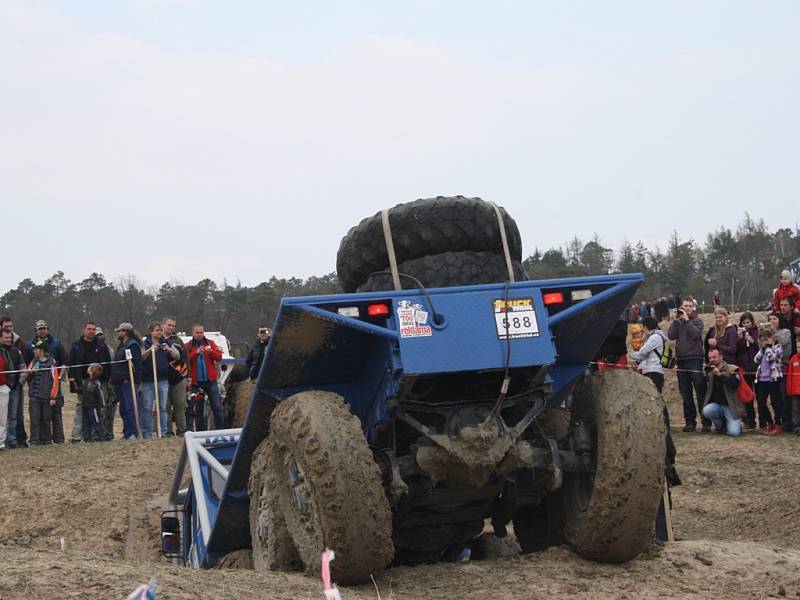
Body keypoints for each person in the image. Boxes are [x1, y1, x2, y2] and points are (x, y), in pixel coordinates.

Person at [668, 296, 710, 432]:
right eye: (685, 306)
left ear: (693, 308)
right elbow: (671, 336)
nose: (687, 308)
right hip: (681, 361)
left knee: (700, 392)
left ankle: (706, 422)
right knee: (685, 393)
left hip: (695, 359)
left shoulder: (697, 321)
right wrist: (675, 321)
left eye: (689, 306)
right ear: (681, 307)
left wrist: (686, 320)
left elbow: (696, 335)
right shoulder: (677, 323)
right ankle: (690, 422)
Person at [67, 321, 112, 442]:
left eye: (93, 329)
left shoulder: (102, 345)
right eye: (89, 329)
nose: (91, 331)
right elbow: (71, 365)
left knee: (100, 408)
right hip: (82, 381)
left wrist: (106, 379)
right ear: (84, 330)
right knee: (81, 408)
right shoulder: (76, 345)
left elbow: (108, 363)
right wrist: (73, 382)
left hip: (99, 382)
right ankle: (77, 436)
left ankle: (95, 434)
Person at [141, 323, 179, 438]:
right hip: (148, 380)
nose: (159, 332)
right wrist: (150, 350)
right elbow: (141, 357)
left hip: (162, 380)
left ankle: (163, 432)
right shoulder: (145, 343)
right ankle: (147, 433)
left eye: (161, 330)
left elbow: (176, 356)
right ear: (151, 331)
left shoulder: (166, 342)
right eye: (157, 330)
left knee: (163, 407)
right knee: (147, 407)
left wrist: (169, 350)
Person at [32, 320, 67, 443]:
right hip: (38, 385)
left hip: (54, 382)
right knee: (41, 414)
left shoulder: (56, 343)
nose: (42, 330)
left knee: (56, 411)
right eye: (40, 328)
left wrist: (58, 378)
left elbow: (64, 363)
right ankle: (43, 439)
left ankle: (59, 438)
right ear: (36, 330)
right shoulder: (31, 344)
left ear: (48, 329)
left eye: (44, 328)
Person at [186, 324, 224, 431]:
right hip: (196, 383)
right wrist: (196, 353)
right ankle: (200, 432)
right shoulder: (188, 346)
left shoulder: (210, 343)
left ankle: (221, 430)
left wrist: (211, 351)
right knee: (198, 409)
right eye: (197, 333)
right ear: (192, 333)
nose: (199, 335)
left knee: (217, 407)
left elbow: (219, 357)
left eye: (201, 332)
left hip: (210, 381)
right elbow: (186, 360)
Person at [1, 317, 32, 448]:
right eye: (6, 338)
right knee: (2, 416)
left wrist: (19, 383)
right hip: (3, 386)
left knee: (13, 416)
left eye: (10, 338)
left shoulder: (15, 351)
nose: (9, 340)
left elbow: (23, 368)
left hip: (15, 388)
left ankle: (11, 440)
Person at [27, 340, 63, 445]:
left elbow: (55, 381)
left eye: (36, 349)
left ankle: (46, 440)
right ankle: (34, 440)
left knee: (46, 419)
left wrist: (53, 397)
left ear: (41, 351)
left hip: (47, 397)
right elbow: (27, 373)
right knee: (34, 419)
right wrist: (31, 372)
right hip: (34, 396)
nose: (34, 351)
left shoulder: (52, 363)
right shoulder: (34, 361)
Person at [110, 323, 142, 440]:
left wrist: (129, 378)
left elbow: (135, 365)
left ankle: (133, 432)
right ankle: (127, 431)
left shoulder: (132, 346)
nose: (117, 333)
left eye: (119, 331)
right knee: (123, 409)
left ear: (125, 332)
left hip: (128, 382)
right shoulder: (121, 345)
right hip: (120, 382)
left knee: (130, 408)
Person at [701, 348, 743, 437]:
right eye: (710, 357)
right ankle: (720, 427)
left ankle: (737, 424)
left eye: (714, 357)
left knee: (734, 433)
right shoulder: (709, 370)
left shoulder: (732, 368)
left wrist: (720, 375)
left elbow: (734, 385)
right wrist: (704, 374)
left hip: (731, 407)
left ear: (721, 357)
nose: (712, 360)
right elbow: (703, 388)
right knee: (707, 410)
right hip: (717, 406)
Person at [754, 327, 784, 436]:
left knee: (775, 403)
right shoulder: (763, 350)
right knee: (761, 402)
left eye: (765, 339)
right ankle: (770, 422)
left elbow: (772, 358)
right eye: (762, 340)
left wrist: (767, 348)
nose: (764, 342)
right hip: (762, 379)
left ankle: (778, 425)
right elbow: (756, 360)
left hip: (773, 379)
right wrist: (762, 349)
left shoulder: (777, 347)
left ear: (771, 338)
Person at [162, 316, 188, 436]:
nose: (171, 327)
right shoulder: (157, 339)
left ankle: (182, 430)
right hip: (162, 378)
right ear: (163, 325)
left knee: (180, 406)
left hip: (178, 378)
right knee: (165, 407)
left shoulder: (178, 341)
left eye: (173, 325)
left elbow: (185, 359)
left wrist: (187, 377)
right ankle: (167, 431)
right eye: (169, 325)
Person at [630, 317, 668, 393]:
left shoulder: (654, 337)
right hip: (651, 370)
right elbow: (644, 355)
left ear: (645, 327)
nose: (642, 330)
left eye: (642, 327)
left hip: (653, 370)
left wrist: (632, 354)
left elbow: (642, 352)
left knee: (655, 396)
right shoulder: (652, 337)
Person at [736, 312, 759, 429]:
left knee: (759, 395)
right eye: (743, 323)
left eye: (748, 322)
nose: (746, 325)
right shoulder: (740, 334)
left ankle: (764, 421)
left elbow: (759, 348)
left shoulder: (756, 332)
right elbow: (739, 351)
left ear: (752, 322)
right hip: (744, 367)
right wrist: (740, 339)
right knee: (747, 395)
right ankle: (750, 421)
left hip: (756, 367)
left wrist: (752, 341)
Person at [94, 327, 117, 438]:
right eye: (97, 335)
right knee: (100, 409)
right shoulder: (92, 349)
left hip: (109, 382)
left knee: (110, 408)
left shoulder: (109, 350)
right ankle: (99, 433)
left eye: (101, 335)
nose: (100, 337)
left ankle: (109, 433)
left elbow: (113, 365)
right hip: (97, 382)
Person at [81, 363, 106, 442]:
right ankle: (87, 437)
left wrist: (102, 405)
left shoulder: (96, 383)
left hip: (93, 406)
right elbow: (83, 390)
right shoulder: (86, 381)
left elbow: (100, 394)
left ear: (92, 371)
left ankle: (101, 436)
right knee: (85, 422)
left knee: (95, 421)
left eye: (89, 367)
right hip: (85, 405)